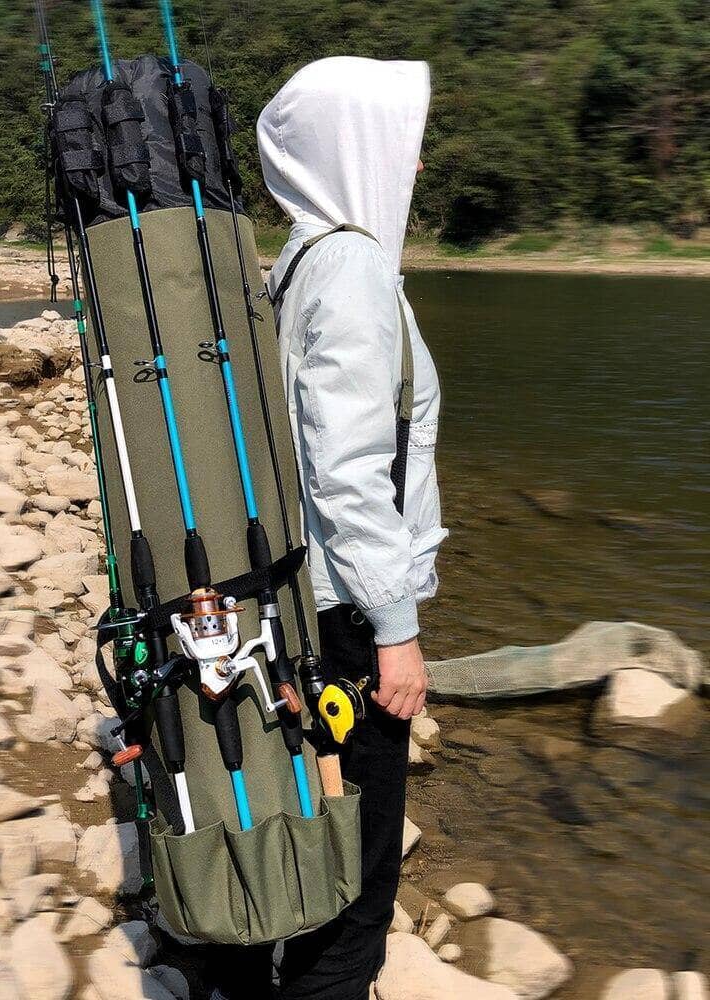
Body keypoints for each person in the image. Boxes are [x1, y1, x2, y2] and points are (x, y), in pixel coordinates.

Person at [207, 57, 447, 1000]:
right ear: (353, 147)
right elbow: (347, 471)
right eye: (402, 142)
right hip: (349, 612)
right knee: (361, 870)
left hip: (310, 599)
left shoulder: (302, 260)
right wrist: (398, 629)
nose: (416, 164)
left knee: (327, 827)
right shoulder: (351, 266)